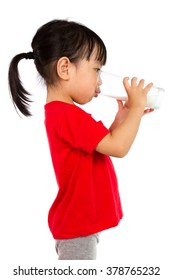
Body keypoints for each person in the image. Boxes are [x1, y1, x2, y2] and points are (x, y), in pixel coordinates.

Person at [8, 19, 154, 260]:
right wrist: (137, 108)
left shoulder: (61, 114)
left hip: (79, 225)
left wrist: (121, 119)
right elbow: (118, 147)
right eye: (97, 69)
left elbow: (103, 144)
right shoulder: (67, 115)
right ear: (65, 68)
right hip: (77, 228)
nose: (100, 80)